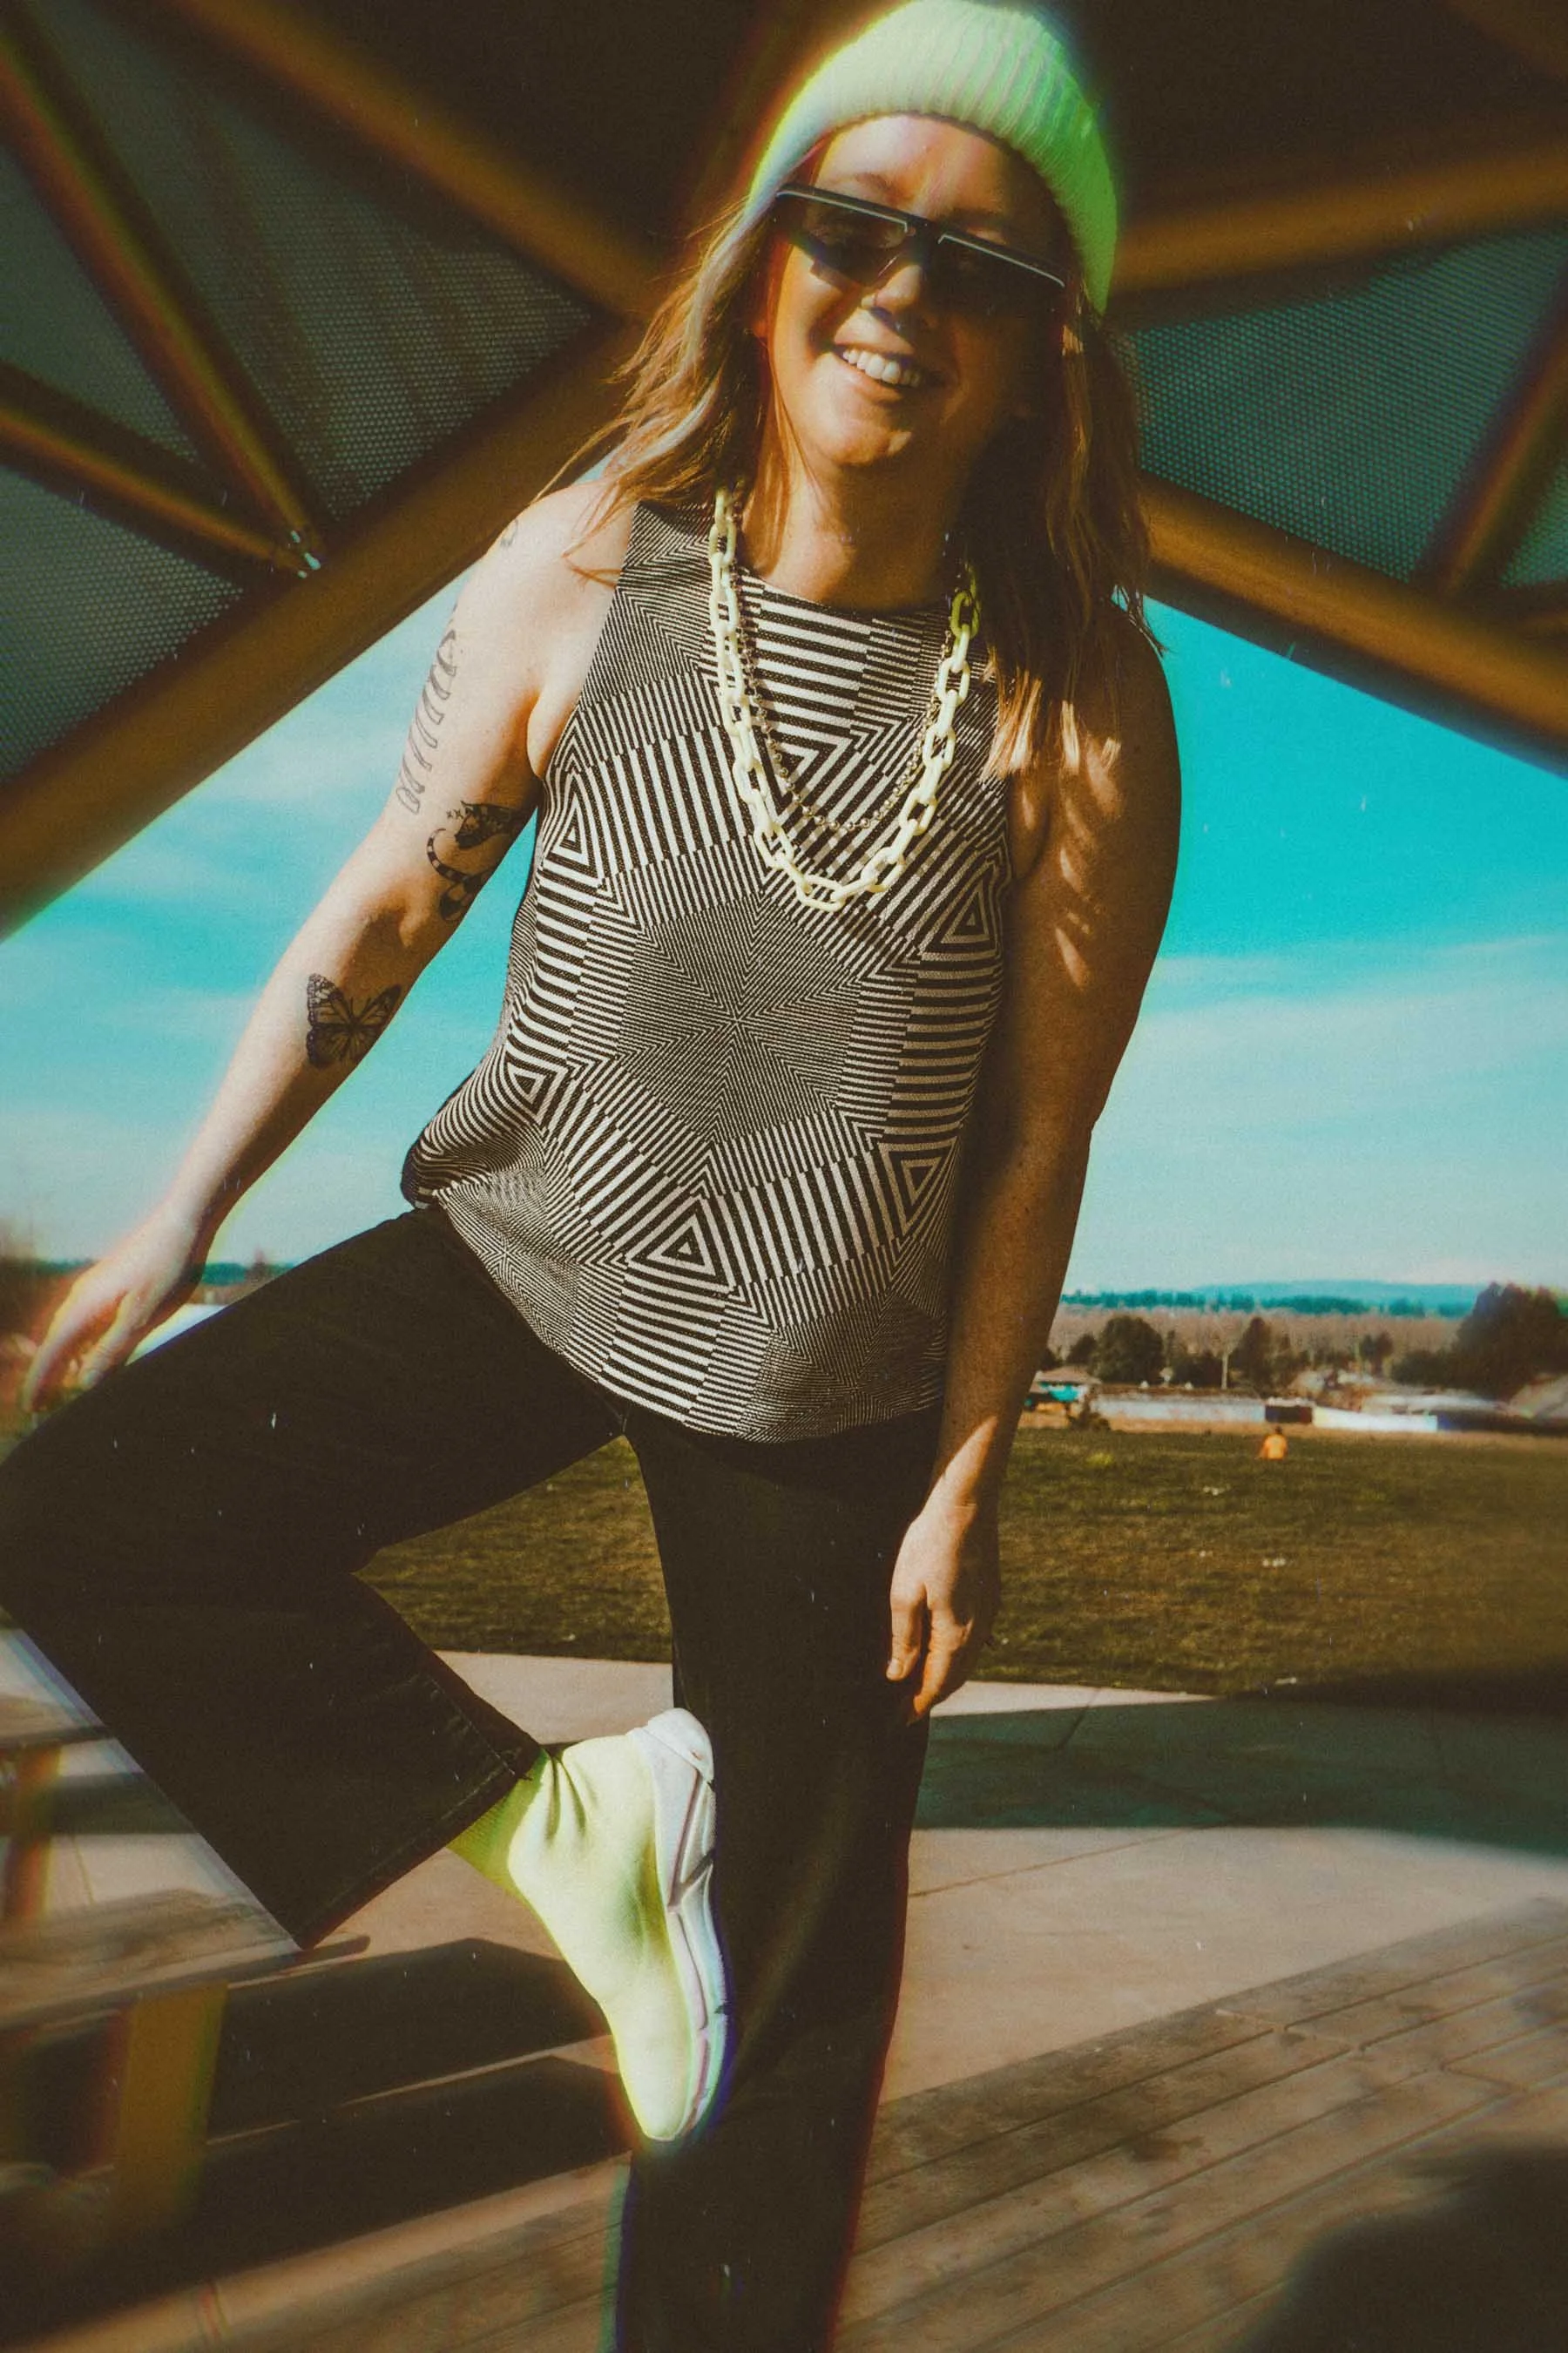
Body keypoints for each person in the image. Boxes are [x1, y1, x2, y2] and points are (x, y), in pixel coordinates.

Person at [0, 1, 1180, 2343]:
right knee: (85, 1508)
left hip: (830, 1369)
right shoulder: (590, 561)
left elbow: (1043, 1129)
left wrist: (967, 1479)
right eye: (856, 229)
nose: (904, 300)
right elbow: (378, 910)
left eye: (987, 276)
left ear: (1049, 362)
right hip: (527, 1251)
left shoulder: (1077, 697)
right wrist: (170, 1217)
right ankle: (570, 1830)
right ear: (770, 260)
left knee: (790, 2002)